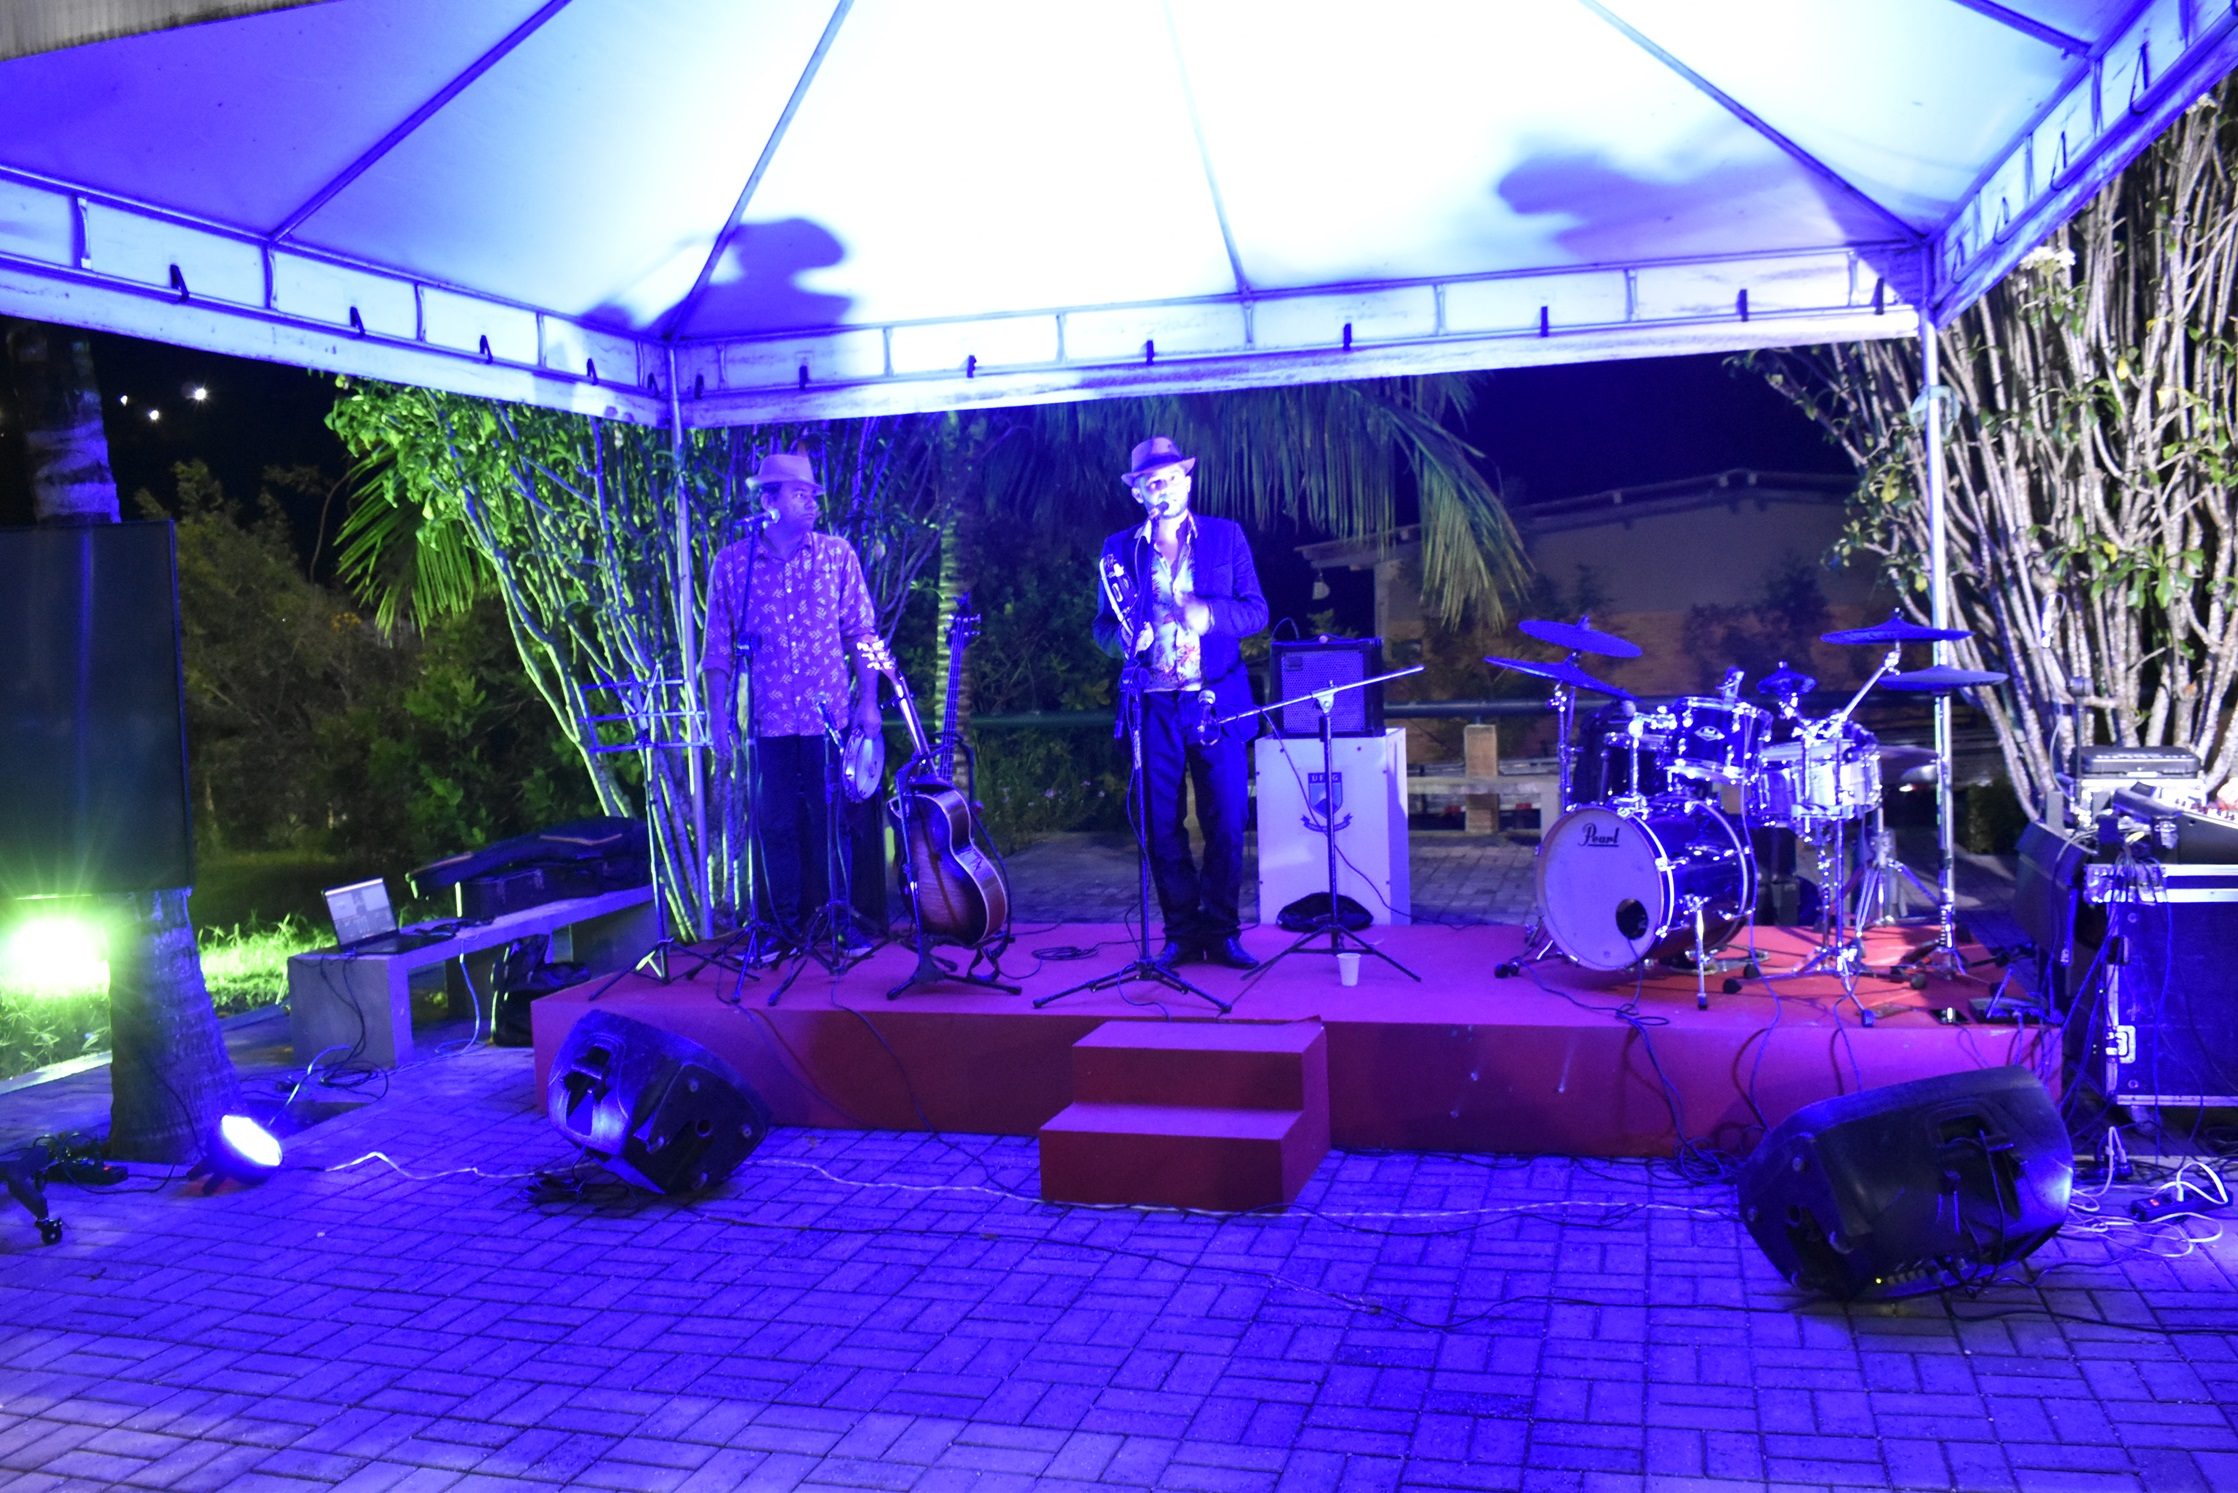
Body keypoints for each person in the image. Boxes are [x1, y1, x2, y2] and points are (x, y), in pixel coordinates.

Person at [1093, 436, 1269, 970]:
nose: (1163, 487)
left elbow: (1256, 611)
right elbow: (1102, 627)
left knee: (1228, 819)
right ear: (1139, 493)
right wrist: (1124, 641)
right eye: (1153, 481)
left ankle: (1222, 930)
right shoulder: (1119, 549)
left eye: (1171, 477)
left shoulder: (1225, 535)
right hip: (1153, 706)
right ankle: (1181, 934)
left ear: (1187, 482)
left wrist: (1210, 615)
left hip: (1216, 699)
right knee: (1159, 824)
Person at [702, 451, 882, 942]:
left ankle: (841, 923)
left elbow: (862, 633)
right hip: (769, 720)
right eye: (800, 494)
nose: (812, 504)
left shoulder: (836, 555)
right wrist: (717, 716)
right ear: (769, 502)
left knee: (834, 822)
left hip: (829, 716)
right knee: (776, 823)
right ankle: (781, 928)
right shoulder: (734, 565)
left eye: (812, 495)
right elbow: (717, 648)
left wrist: (868, 701)